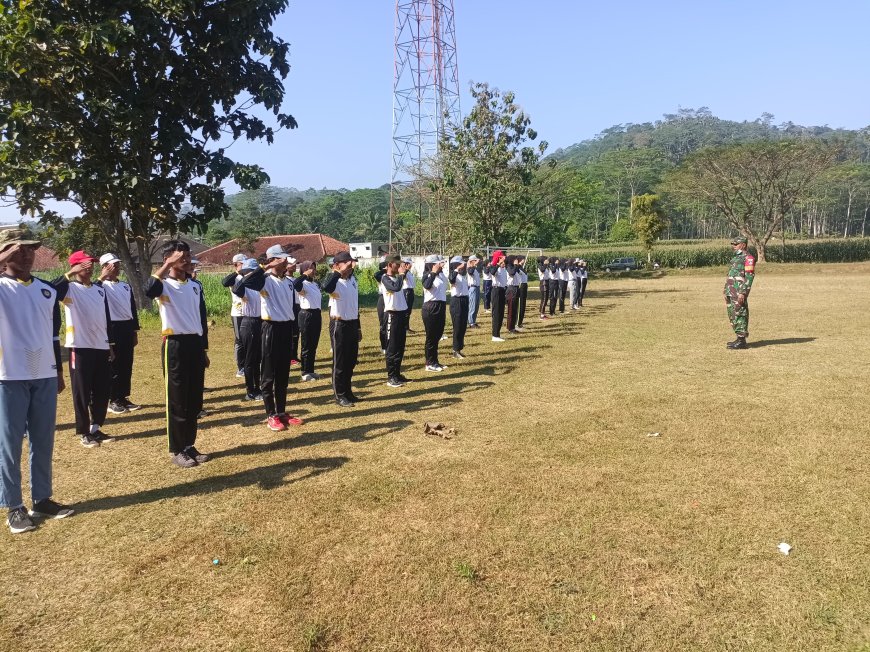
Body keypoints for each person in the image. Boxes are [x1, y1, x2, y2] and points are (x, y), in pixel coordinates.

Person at [0, 230, 74, 533]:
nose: (26, 255)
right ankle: (13, 505)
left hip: (42, 373)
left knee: (43, 440)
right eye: (18, 250)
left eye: (30, 249)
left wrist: (56, 370)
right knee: (9, 444)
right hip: (8, 376)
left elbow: (52, 332)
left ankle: (42, 498)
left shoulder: (46, 289)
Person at [145, 240, 211, 468]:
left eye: (187, 254)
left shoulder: (194, 285)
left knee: (194, 399)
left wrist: (203, 349)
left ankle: (189, 445)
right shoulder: (163, 284)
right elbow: (148, 289)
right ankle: (176, 448)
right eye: (180, 256)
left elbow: (201, 319)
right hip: (174, 344)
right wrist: (166, 265)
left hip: (194, 343)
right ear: (168, 259)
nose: (186, 258)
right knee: (177, 399)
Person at [234, 246, 303, 431]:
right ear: (274, 260)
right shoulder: (264, 280)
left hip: (286, 328)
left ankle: (281, 411)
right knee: (269, 373)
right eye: (282, 259)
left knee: (283, 373)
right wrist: (264, 266)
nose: (286, 262)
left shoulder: (288, 281)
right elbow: (240, 286)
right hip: (270, 328)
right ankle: (270, 414)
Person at [53, 251, 116, 448]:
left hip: (100, 346)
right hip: (79, 347)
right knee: (81, 392)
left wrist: (109, 345)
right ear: (76, 265)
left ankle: (95, 428)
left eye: (92, 264)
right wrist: (70, 273)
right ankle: (83, 431)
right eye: (85, 264)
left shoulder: (99, 290)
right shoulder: (69, 289)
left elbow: (105, 318)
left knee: (102, 390)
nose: (89, 267)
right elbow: (51, 290)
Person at [97, 252, 141, 414]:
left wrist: (134, 330)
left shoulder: (125, 286)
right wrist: (102, 277)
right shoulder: (100, 286)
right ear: (104, 267)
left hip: (126, 327)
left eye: (117, 265)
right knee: (113, 365)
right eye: (112, 265)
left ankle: (123, 396)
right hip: (112, 328)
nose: (116, 268)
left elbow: (132, 309)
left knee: (126, 364)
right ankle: (113, 399)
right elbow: (92, 289)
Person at [323, 251, 361, 407]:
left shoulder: (353, 281)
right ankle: (339, 395)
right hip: (339, 323)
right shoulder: (334, 280)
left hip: (352, 323)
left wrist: (358, 327)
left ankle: (347, 391)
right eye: (347, 263)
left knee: (351, 360)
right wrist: (338, 271)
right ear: (337, 265)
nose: (350, 266)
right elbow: (326, 287)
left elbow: (355, 305)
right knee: (340, 362)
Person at [232, 258, 263, 401]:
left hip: (259, 322)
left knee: (257, 358)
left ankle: (258, 387)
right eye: (251, 272)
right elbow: (236, 289)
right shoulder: (244, 286)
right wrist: (246, 275)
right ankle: (250, 391)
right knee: (250, 359)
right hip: (248, 322)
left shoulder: (260, 286)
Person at [381, 254, 410, 386]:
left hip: (401, 315)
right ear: (389, 264)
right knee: (392, 347)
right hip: (391, 315)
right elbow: (395, 287)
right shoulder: (385, 278)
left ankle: (397, 373)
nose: (399, 266)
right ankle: (391, 376)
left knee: (400, 346)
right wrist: (401, 275)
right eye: (396, 264)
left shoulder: (397, 278)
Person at [293, 260, 323, 382]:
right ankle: (305, 371)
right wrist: (305, 274)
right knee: (306, 344)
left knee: (313, 344)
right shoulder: (302, 283)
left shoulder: (315, 284)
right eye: (311, 268)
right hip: (306, 314)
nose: (313, 271)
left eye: (314, 268)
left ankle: (311, 369)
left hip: (317, 314)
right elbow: (296, 283)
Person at [724, 236, 756, 349]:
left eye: (736, 244)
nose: (733, 246)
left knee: (740, 313)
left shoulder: (749, 258)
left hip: (739, 291)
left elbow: (749, 276)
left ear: (743, 244)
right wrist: (726, 290)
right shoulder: (736, 258)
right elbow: (732, 274)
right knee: (733, 314)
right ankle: (738, 337)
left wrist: (743, 292)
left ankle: (742, 341)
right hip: (731, 290)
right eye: (733, 244)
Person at [221, 253, 247, 378]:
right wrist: (238, 272)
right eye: (242, 263)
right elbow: (225, 282)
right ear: (236, 264)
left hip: (249, 312)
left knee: (249, 339)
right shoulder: (234, 278)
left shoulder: (248, 276)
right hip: (238, 313)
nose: (245, 265)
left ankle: (248, 364)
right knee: (240, 340)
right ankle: (240, 367)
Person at [421, 254, 448, 370]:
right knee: (431, 336)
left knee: (437, 335)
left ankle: (435, 361)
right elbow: (427, 285)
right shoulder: (426, 275)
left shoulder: (440, 275)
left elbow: (446, 284)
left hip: (441, 305)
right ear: (432, 265)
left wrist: (439, 271)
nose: (441, 265)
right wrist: (433, 272)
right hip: (431, 306)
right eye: (438, 263)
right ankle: (429, 363)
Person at [448, 255, 469, 358]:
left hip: (464, 300)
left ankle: (459, 349)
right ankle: (455, 350)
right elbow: (451, 279)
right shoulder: (453, 274)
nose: (463, 265)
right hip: (457, 301)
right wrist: (457, 269)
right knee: (457, 325)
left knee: (463, 326)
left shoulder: (461, 275)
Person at [488, 250, 507, 342]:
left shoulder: (503, 267)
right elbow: (492, 272)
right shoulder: (494, 266)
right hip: (496, 290)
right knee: (496, 313)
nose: (503, 258)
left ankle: (498, 334)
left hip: (502, 290)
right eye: (501, 257)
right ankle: (494, 335)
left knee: (501, 313)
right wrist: (498, 264)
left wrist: (502, 265)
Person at [286, 258, 302, 368]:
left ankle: (294, 355)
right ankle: (289, 357)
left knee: (296, 333)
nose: (294, 265)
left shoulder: (295, 279)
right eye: (291, 263)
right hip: (289, 307)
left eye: (295, 263)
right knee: (289, 333)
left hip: (297, 307)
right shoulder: (284, 280)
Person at [374, 257, 388, 354]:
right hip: (383, 299)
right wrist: (385, 269)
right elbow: (376, 274)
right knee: (383, 323)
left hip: (391, 299)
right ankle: (384, 346)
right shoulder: (382, 275)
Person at [504, 254, 521, 334]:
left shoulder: (514, 267)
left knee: (515, 309)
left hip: (516, 288)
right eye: (515, 259)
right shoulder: (508, 267)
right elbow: (512, 273)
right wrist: (515, 265)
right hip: (511, 289)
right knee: (511, 309)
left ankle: (513, 327)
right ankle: (510, 328)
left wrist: (517, 265)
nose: (516, 260)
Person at [401, 257, 416, 333]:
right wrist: (406, 269)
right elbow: (402, 277)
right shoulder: (404, 271)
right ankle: (405, 327)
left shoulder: (409, 272)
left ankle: (407, 326)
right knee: (406, 310)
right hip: (406, 291)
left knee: (409, 310)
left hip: (411, 291)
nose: (411, 265)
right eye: (410, 263)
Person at [466, 254, 481, 328]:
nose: (476, 262)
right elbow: (470, 272)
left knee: (476, 306)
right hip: (472, 288)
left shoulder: (475, 268)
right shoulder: (469, 268)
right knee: (472, 305)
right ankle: (471, 322)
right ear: (471, 261)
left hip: (477, 288)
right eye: (475, 260)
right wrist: (474, 265)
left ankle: (473, 321)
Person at [515, 256, 528, 331]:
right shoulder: (517, 267)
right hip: (521, 286)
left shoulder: (522, 267)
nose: (524, 260)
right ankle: (517, 324)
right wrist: (517, 264)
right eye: (523, 259)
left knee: (523, 305)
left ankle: (520, 323)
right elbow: (515, 271)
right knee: (520, 306)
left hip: (524, 286)